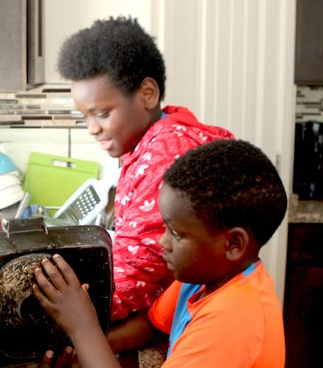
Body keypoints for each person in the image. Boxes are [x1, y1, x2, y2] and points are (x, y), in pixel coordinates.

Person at [33, 139, 287, 368]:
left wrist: (82, 327)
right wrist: (86, 351)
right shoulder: (205, 279)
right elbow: (152, 326)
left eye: (176, 233)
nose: (162, 242)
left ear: (233, 244)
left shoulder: (233, 324)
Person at [56, 16, 235, 323]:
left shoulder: (165, 153)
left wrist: (73, 309)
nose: (92, 128)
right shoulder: (158, 138)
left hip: (178, 320)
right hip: (169, 310)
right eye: (85, 116)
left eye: (101, 113)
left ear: (147, 94)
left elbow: (142, 271)